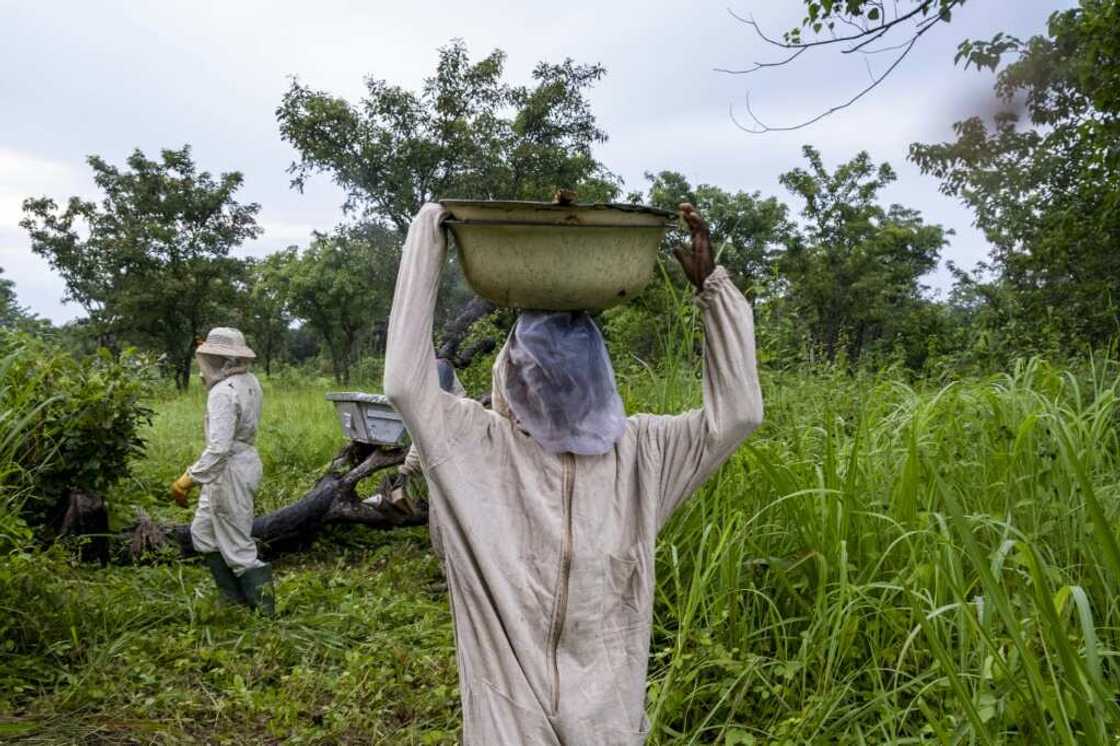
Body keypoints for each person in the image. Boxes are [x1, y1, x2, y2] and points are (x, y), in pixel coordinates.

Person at [384, 203, 763, 744]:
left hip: (513, 727)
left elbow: (403, 382)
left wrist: (429, 231)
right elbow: (740, 412)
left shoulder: (476, 445)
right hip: (602, 724)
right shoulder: (643, 453)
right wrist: (713, 292)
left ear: (511, 377)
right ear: (600, 376)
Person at [170, 327, 274, 615]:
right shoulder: (249, 380)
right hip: (237, 466)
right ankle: (233, 600)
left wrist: (187, 480)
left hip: (229, 471)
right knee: (202, 533)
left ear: (220, 360)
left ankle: (265, 616)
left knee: (238, 547)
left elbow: (218, 448)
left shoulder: (222, 393)